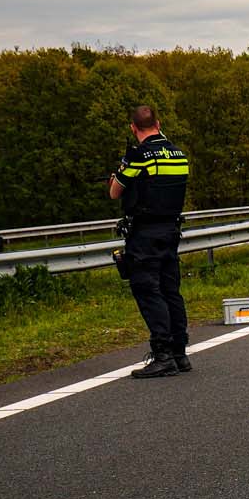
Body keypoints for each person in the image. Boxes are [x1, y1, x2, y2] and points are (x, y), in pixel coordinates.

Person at [107, 104, 191, 378]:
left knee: (147, 290)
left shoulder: (138, 156)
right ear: (159, 122)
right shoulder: (179, 154)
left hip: (145, 233)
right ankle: (180, 353)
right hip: (170, 231)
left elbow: (115, 192)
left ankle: (163, 354)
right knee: (170, 290)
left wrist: (119, 176)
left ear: (133, 128)